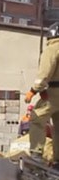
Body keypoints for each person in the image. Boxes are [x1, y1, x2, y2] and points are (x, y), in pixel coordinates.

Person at [25, 22, 59, 166]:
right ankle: (57, 160)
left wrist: (33, 90)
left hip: (53, 93)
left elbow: (45, 73)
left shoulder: (52, 49)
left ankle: (36, 153)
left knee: (37, 119)